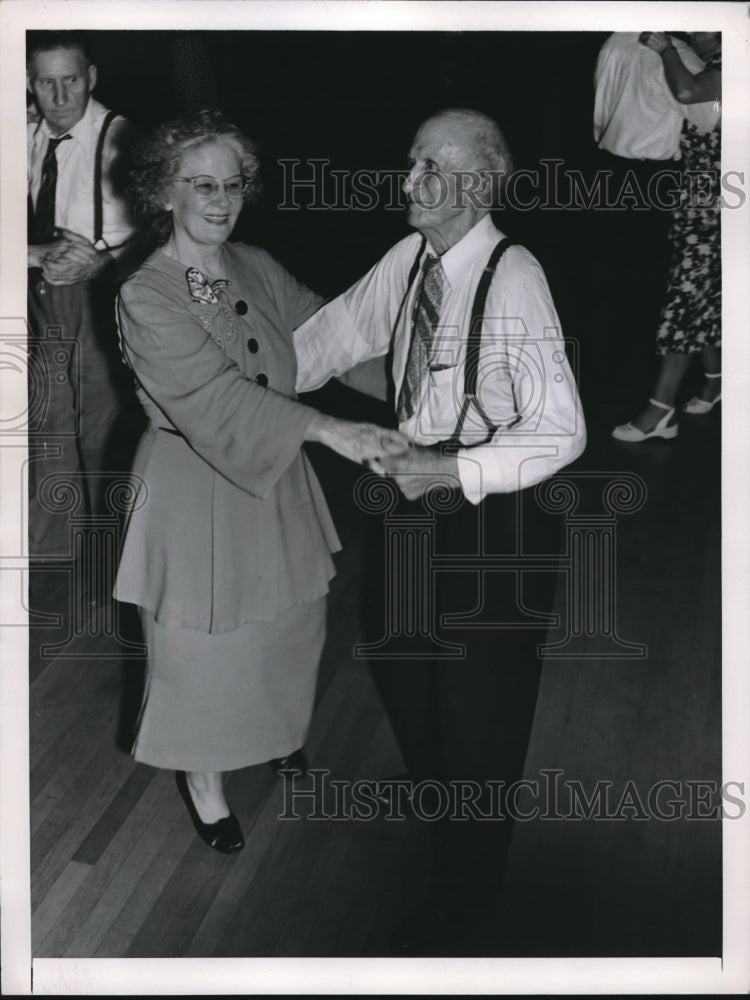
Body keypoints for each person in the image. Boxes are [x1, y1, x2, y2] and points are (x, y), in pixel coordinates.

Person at [294, 108, 586, 953]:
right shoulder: (411, 258)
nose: (409, 181)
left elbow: (561, 430)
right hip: (418, 490)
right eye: (411, 162)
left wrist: (454, 472)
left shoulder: (515, 274)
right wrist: (237, 372)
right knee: (398, 648)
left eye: (431, 168)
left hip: (497, 512)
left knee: (479, 711)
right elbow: (330, 337)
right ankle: (449, 813)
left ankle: (468, 900)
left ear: (479, 185)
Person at [115, 109, 407, 855]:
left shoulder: (255, 263)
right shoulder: (145, 295)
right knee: (203, 648)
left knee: (286, 626)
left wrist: (417, 388)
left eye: (233, 183)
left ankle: (274, 733)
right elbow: (214, 397)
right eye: (200, 184)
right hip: (193, 488)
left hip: (274, 476)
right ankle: (204, 781)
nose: (220, 198)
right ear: (162, 193)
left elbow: (330, 344)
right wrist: (331, 430)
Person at [26, 31, 141, 563]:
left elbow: (165, 232)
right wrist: (37, 254)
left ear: (90, 77)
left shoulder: (124, 135)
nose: (60, 96)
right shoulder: (19, 136)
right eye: (46, 83)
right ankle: (49, 556)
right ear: (30, 84)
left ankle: (109, 553)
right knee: (44, 425)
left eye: (70, 80)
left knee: (101, 426)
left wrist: (101, 261)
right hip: (32, 297)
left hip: (98, 299)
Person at [612, 32, 722, 441]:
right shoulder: (699, 62)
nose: (696, 33)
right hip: (699, 200)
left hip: (723, 204)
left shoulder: (730, 63)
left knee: (686, 297)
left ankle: (660, 410)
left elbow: (687, 91)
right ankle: (717, 380)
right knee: (703, 296)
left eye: (705, 26)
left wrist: (664, 49)